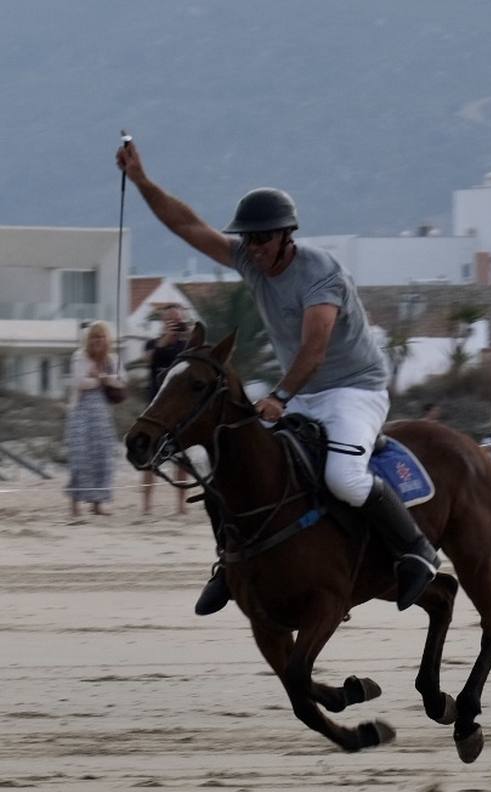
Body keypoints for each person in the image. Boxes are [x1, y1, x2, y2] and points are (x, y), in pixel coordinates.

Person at [116, 139, 439, 616]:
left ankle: (416, 551)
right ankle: (229, 566)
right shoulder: (250, 259)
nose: (253, 248)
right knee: (232, 463)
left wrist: (281, 396)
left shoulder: (320, 272)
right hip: (302, 389)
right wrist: (142, 181)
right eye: (247, 239)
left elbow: (315, 348)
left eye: (261, 239)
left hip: (354, 390)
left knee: (345, 478)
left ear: (286, 235)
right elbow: (186, 226)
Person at [65, 321, 126, 520]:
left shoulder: (112, 359)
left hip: (102, 415)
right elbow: (79, 382)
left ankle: (98, 502)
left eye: (101, 337)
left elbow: (121, 382)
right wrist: (100, 379)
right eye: (94, 337)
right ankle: (75, 504)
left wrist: (102, 377)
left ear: (107, 339)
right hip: (80, 413)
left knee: (102, 457)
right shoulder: (79, 357)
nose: (97, 340)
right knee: (80, 458)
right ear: (88, 340)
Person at [140, 304, 191, 515]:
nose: (174, 324)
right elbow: (147, 360)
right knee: (149, 458)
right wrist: (165, 340)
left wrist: (188, 335)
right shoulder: (153, 344)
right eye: (170, 320)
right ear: (163, 322)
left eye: (177, 320)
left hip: (179, 409)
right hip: (155, 408)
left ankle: (180, 505)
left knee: (182, 459)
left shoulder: (186, 346)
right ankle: (146, 505)